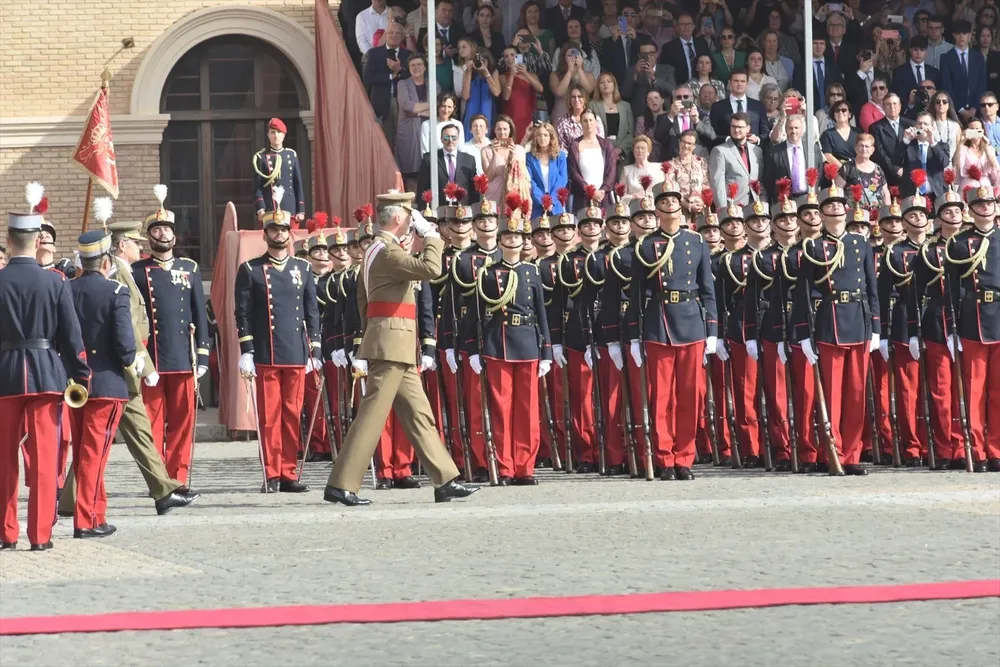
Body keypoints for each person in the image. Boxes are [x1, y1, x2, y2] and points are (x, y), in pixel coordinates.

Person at [324, 193, 480, 505]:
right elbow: (432, 269)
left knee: (419, 414)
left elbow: (365, 301)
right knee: (371, 415)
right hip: (392, 343)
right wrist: (433, 236)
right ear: (398, 219)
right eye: (409, 217)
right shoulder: (387, 252)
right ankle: (342, 484)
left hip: (395, 341)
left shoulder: (376, 250)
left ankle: (445, 478)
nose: (412, 223)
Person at [59, 220, 201, 519]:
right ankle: (158, 492)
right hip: (122, 367)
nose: (140, 246)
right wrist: (144, 364)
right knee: (107, 437)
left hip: (122, 368)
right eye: (136, 242)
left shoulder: (123, 273)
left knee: (129, 434)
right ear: (121, 246)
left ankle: (161, 491)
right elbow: (128, 329)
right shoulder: (119, 275)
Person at [0, 210, 90, 551]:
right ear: (38, 241)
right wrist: (81, 373)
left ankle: (6, 532)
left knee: (3, 459)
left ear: (9, 241)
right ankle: (40, 535)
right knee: (44, 457)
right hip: (46, 374)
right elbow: (71, 335)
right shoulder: (55, 281)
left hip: (5, 375)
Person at [627, 172, 718, 480]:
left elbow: (708, 290)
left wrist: (713, 332)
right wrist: (631, 336)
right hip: (659, 323)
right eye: (663, 201)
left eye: (673, 201)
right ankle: (664, 457)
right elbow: (637, 294)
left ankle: (685, 458)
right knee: (661, 396)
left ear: (681, 207)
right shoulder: (646, 245)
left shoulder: (696, 242)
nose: (669, 206)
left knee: (690, 397)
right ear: (657, 210)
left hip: (692, 321)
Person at [791, 178, 880, 476]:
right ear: (823, 214)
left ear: (846, 210)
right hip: (829, 323)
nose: (835, 210)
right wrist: (803, 332)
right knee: (831, 397)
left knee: (856, 396)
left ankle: (852, 455)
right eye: (828, 206)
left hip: (859, 319)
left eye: (839, 205)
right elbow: (802, 291)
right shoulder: (813, 247)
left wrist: (877, 326)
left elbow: (872, 287)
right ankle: (834, 451)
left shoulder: (860, 243)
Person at [235, 206, 322, 494]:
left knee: (292, 414)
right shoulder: (251, 270)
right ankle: (270, 473)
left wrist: (315, 351)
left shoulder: (304, 268)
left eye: (284, 230)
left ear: (289, 234)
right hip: (266, 352)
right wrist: (246, 349)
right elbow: (243, 313)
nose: (279, 234)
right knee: (270, 417)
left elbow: (312, 312)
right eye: (274, 230)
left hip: (296, 352)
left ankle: (288, 472)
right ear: (266, 234)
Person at [131, 187, 209, 486]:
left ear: (175, 235)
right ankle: (158, 479)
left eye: (167, 228)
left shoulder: (188, 268)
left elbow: (199, 314)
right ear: (149, 236)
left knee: (182, 423)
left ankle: (179, 476)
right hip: (152, 359)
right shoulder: (138, 271)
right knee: (150, 423)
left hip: (182, 355)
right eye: (157, 229)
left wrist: (202, 354)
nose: (163, 233)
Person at [472, 204, 552, 484]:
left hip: (528, 342)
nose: (513, 241)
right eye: (508, 237)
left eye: (517, 238)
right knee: (501, 409)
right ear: (501, 241)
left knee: (528, 409)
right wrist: (474, 348)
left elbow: (542, 314)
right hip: (499, 344)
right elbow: (477, 314)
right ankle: (504, 466)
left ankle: (525, 466)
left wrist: (547, 352)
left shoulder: (532, 272)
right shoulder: (487, 272)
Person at [68, 229, 138, 539]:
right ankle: (85, 519)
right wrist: (130, 360)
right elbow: (125, 344)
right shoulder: (115, 291)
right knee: (95, 455)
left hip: (75, 383)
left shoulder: (66, 289)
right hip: (106, 384)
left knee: (85, 452)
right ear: (107, 260)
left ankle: (97, 512)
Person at [944, 184, 998, 472]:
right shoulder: (959, 243)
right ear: (972, 209)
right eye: (981, 204)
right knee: (975, 390)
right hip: (973, 319)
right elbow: (951, 289)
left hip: (999, 316)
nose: (986, 207)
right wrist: (952, 328)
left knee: (999, 391)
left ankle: (996, 449)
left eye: (990, 202)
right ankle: (976, 449)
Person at [878, 188, 933, 467]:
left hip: (935, 319)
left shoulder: (938, 249)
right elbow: (883, 294)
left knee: (936, 389)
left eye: (921, 214)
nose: (917, 219)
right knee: (908, 389)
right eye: (911, 215)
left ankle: (936, 442)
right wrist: (885, 334)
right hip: (902, 321)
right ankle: (912, 446)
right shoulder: (894, 254)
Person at [252, 118, 305, 226]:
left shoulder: (291, 155)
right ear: (268, 135)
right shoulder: (261, 157)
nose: (275, 135)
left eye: (279, 132)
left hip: (290, 209)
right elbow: (257, 186)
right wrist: (260, 208)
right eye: (272, 132)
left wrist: (301, 210)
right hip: (269, 209)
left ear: (284, 135)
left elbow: (297, 184)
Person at [709, 112, 766, 211]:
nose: (736, 130)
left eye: (740, 127)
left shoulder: (757, 150)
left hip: (755, 207)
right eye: (733, 126)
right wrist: (723, 210)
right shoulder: (719, 151)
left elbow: (760, 180)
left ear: (748, 128)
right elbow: (717, 184)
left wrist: (764, 203)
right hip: (732, 206)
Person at [364, 21, 410, 140]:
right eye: (391, 32)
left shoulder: (408, 55)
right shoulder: (374, 53)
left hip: (402, 102)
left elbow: (413, 76)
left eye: (398, 33)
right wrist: (390, 76)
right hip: (382, 102)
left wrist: (399, 70)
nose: (394, 35)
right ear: (385, 34)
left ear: (402, 37)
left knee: (403, 139)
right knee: (385, 140)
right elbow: (368, 77)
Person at [396, 54, 434, 191]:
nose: (416, 68)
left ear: (425, 67)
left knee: (429, 170)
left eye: (419, 65)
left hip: (428, 132)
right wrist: (430, 105)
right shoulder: (402, 84)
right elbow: (406, 106)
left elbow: (438, 106)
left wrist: (416, 112)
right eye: (413, 65)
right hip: (409, 133)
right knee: (411, 172)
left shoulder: (433, 84)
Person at [418, 124, 480, 203]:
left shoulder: (469, 160)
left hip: (462, 209)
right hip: (438, 207)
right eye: (446, 137)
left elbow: (473, 190)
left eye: (454, 137)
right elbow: (422, 188)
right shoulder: (429, 159)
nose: (450, 140)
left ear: (458, 139)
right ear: (441, 139)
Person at [940, 21, 987, 121]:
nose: (961, 37)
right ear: (954, 35)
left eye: (965, 33)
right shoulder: (946, 58)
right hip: (954, 112)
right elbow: (947, 86)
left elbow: (982, 84)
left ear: (970, 35)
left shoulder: (978, 57)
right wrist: (961, 110)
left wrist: (974, 108)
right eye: (958, 33)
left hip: (976, 111)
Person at [567, 109, 616, 205]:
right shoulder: (575, 145)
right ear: (581, 123)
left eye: (591, 120)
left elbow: (612, 170)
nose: (588, 123)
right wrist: (590, 191)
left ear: (596, 122)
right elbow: (573, 172)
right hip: (583, 197)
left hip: (603, 197)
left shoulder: (606, 144)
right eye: (585, 121)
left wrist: (602, 190)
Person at [899, 112, 951, 198]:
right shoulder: (908, 145)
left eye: (926, 124)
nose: (922, 127)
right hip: (913, 195)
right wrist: (906, 140)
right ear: (915, 126)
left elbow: (944, 163)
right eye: (919, 123)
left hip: (936, 194)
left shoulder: (942, 146)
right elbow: (896, 161)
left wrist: (932, 143)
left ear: (932, 127)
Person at [589, 73, 634, 170]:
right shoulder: (592, 105)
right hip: (601, 152)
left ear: (614, 85)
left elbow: (631, 133)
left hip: (622, 155)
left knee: (622, 184)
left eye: (609, 81)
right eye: (602, 82)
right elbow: (590, 129)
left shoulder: (625, 106)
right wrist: (607, 150)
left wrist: (619, 150)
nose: (605, 84)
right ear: (598, 87)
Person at [481, 115, 530, 205]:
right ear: (494, 130)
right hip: (494, 194)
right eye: (499, 129)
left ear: (510, 130)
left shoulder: (519, 150)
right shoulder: (486, 150)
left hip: (513, 194)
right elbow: (489, 176)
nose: (502, 132)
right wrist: (494, 155)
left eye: (505, 129)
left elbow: (522, 175)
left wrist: (513, 155)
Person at [709, 69, 769, 143]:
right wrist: (727, 139)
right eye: (736, 81)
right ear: (730, 83)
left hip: (753, 150)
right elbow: (712, 134)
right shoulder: (717, 107)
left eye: (742, 81)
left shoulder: (758, 106)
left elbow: (765, 132)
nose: (739, 84)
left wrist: (757, 139)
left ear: (747, 84)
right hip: (727, 150)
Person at [456, 39, 501, 134]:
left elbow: (497, 93)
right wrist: (468, 72)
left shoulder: (493, 72)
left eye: (483, 61)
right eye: (478, 61)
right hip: (472, 109)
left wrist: (486, 73)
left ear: (489, 61)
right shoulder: (468, 72)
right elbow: (465, 96)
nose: (481, 63)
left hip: (487, 109)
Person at [870, 93, 915, 187]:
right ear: (883, 107)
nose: (892, 107)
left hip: (910, 174)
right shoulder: (876, 128)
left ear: (900, 106)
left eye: (895, 104)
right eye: (888, 104)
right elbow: (879, 153)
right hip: (889, 176)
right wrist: (895, 169)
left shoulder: (911, 124)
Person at [835, 133, 891, 208]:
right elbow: (838, 188)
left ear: (872, 150)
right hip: (853, 213)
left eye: (867, 146)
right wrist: (843, 206)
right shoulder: (848, 167)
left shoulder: (878, 169)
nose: (864, 149)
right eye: (861, 146)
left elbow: (885, 193)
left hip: (875, 214)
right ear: (855, 148)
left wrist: (888, 210)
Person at [500, 47, 543, 143]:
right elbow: (506, 97)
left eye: (513, 55)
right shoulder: (503, 77)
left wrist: (525, 73)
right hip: (511, 115)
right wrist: (511, 75)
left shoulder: (531, 75)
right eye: (506, 56)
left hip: (527, 115)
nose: (509, 58)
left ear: (519, 57)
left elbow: (540, 89)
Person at [526, 122, 568, 215]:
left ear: (551, 137)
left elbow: (562, 180)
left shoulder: (560, 156)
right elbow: (530, 181)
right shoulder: (529, 157)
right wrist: (543, 201)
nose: (542, 138)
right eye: (539, 135)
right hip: (537, 205)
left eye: (545, 135)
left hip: (555, 205)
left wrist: (551, 201)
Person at [550, 44, 597, 122]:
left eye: (575, 54)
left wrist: (579, 69)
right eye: (569, 55)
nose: (573, 58)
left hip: (581, 115)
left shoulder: (588, 75)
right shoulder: (555, 75)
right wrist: (569, 71)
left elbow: (588, 90)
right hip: (561, 114)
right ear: (563, 58)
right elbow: (559, 92)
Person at [659, 13, 711, 84]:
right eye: (682, 24)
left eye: (689, 24)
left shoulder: (702, 44)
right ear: (677, 27)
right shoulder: (668, 48)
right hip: (680, 89)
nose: (686, 27)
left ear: (693, 26)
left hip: (702, 86)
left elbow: (710, 65)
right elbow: (664, 73)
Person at [669, 130, 711, 212]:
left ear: (694, 146)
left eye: (689, 143)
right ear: (679, 142)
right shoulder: (671, 165)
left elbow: (706, 185)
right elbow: (672, 189)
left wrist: (702, 202)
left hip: (700, 206)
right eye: (683, 142)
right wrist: (687, 204)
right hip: (681, 208)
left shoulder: (702, 162)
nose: (686, 145)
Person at [891, 36, 941, 101]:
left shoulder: (934, 72)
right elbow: (897, 95)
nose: (918, 53)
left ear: (926, 52)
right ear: (910, 50)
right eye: (915, 49)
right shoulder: (899, 72)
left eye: (922, 50)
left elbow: (938, 94)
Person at [956, 118, 1000, 190]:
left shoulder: (989, 148)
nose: (975, 131)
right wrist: (961, 142)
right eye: (972, 129)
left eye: (977, 129)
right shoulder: (963, 149)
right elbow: (958, 164)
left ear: (982, 131)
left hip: (986, 187)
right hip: (968, 186)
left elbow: (995, 169)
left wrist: (986, 148)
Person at [820, 100, 860, 169]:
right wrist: (844, 170)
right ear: (834, 115)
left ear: (849, 114)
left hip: (857, 169)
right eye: (837, 110)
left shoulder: (858, 133)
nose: (840, 112)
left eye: (844, 110)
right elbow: (827, 155)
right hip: (837, 172)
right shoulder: (827, 134)